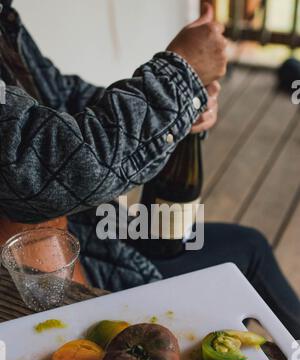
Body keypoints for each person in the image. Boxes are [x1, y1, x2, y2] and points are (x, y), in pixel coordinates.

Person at [0, 1, 299, 338]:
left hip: (98, 232)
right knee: (249, 251)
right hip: (68, 287)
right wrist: (182, 74)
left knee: (247, 246)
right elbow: (39, 165)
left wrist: (183, 108)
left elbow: (61, 99)